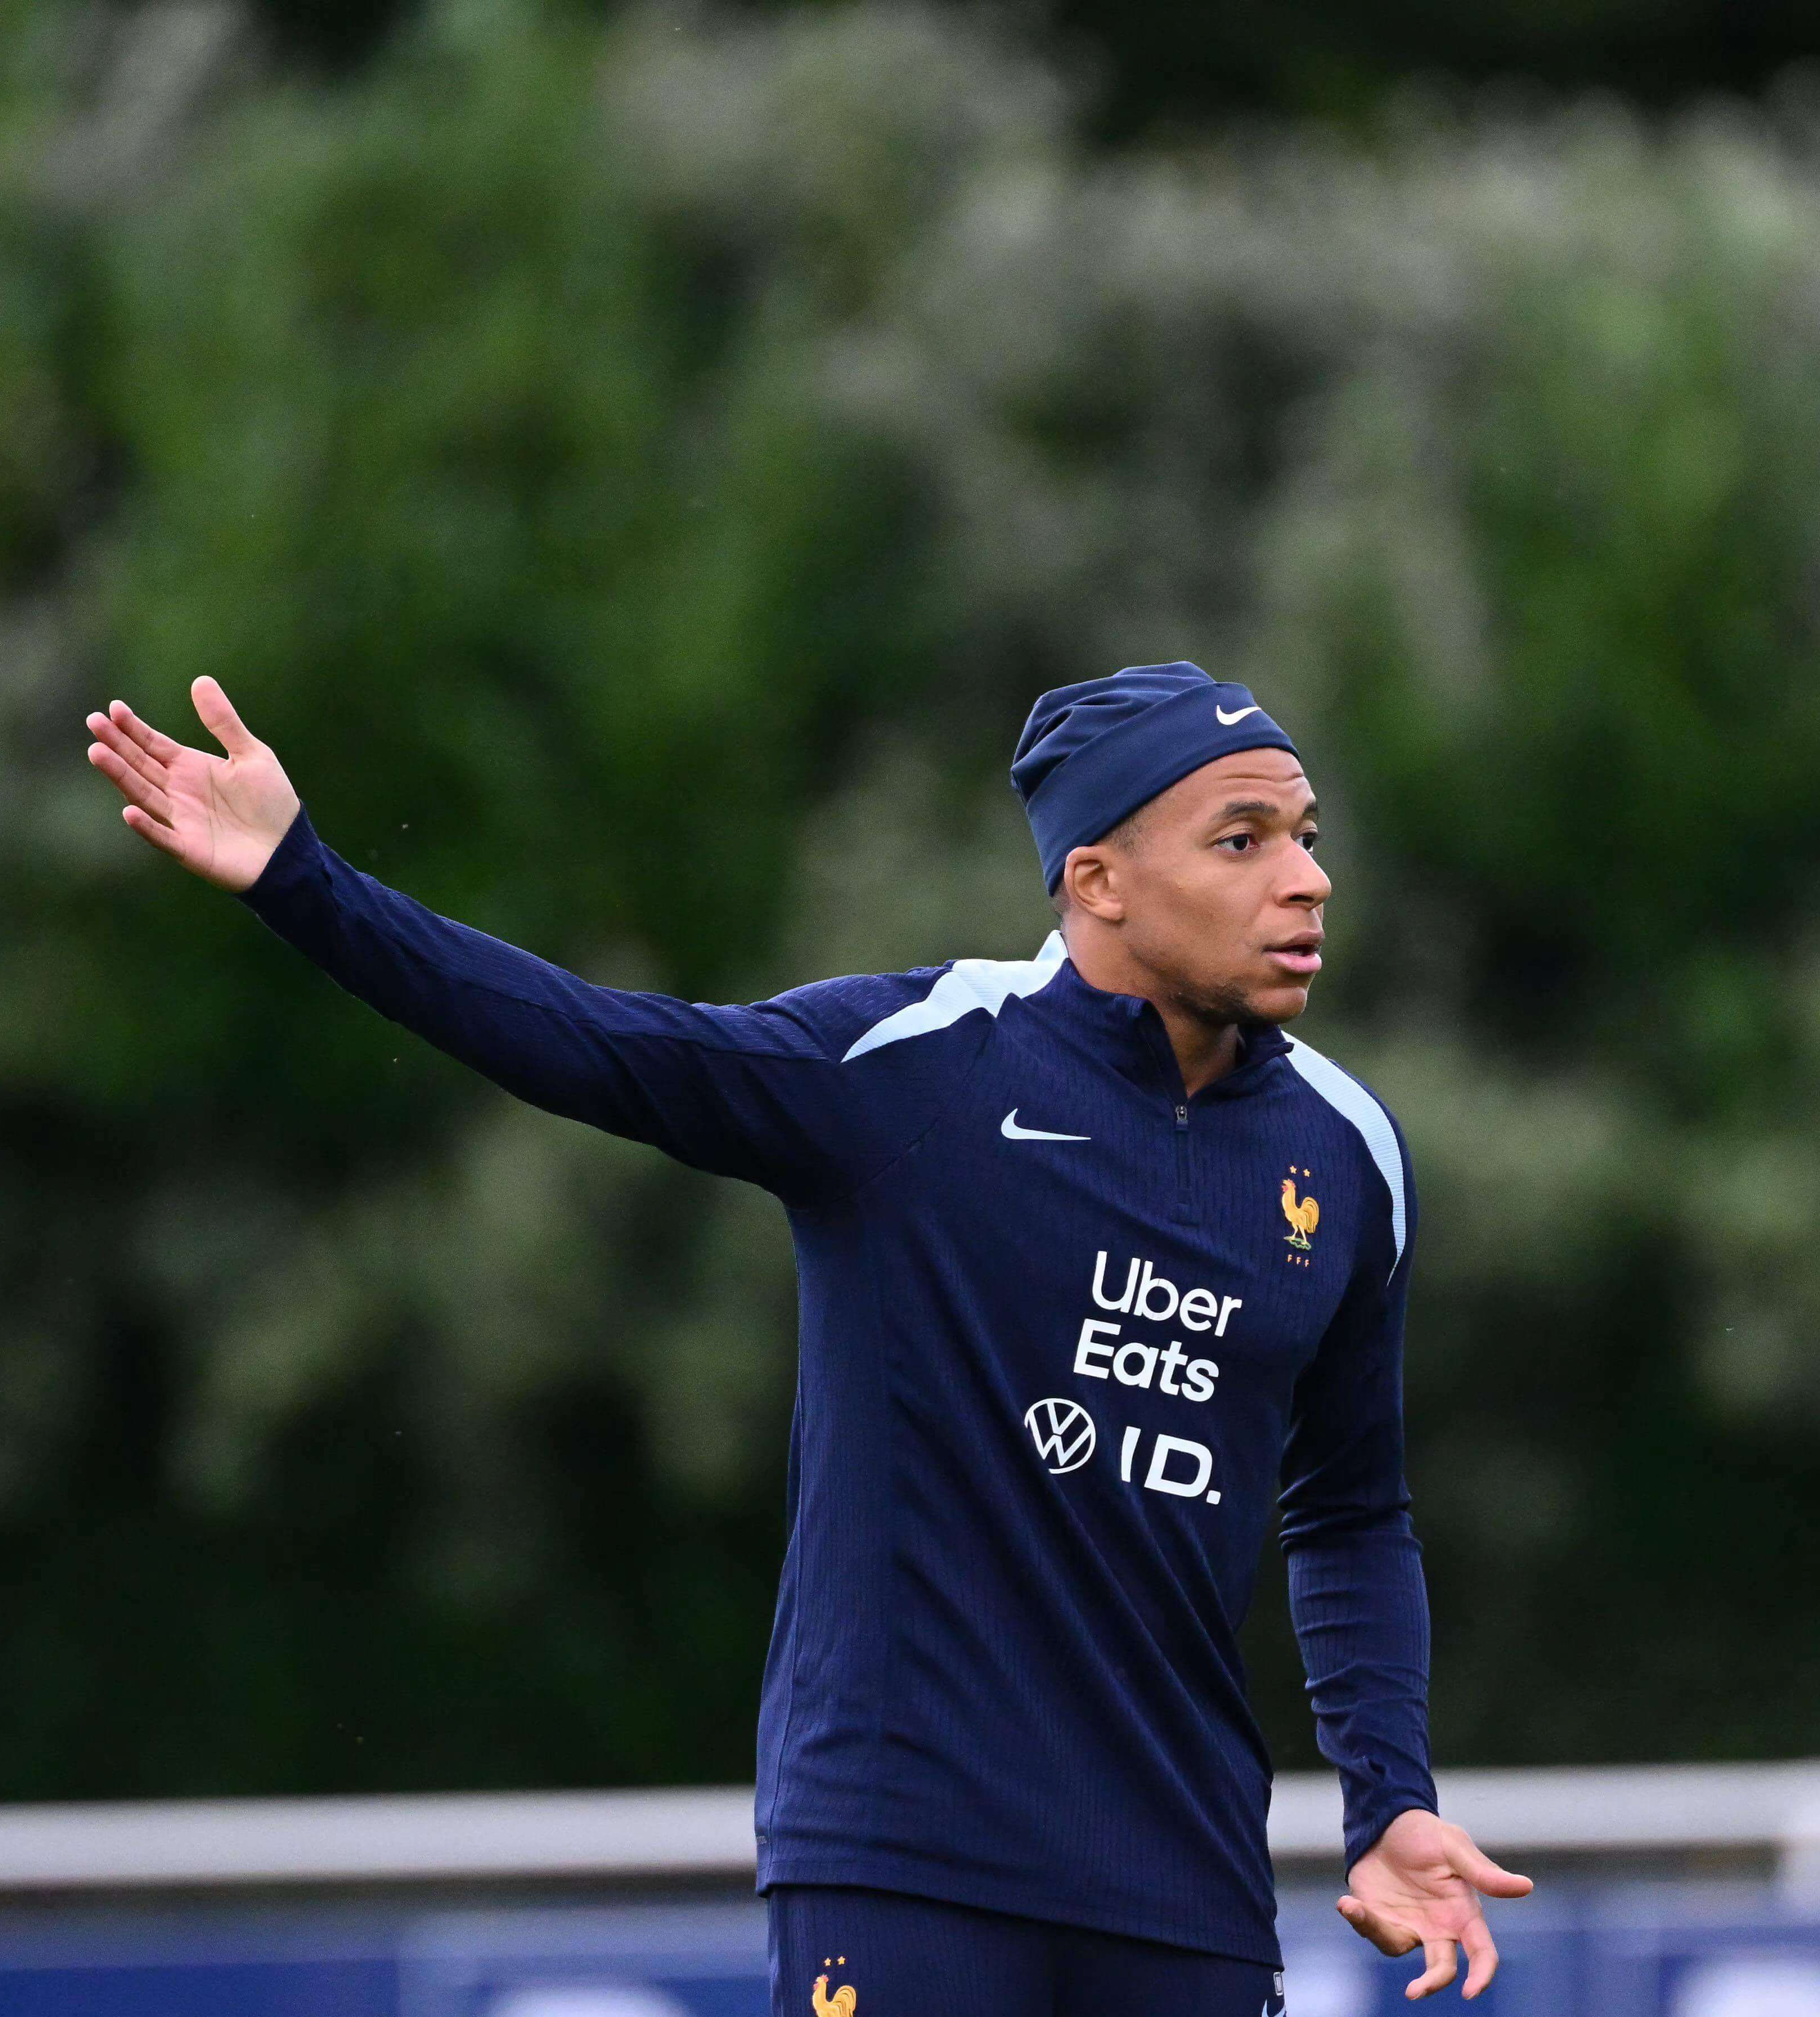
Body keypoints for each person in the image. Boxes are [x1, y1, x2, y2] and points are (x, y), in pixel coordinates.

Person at [83, 663, 1527, 2012]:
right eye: (1243, 841)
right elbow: (597, 1044)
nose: (1307, 878)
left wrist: (1388, 1797)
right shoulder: (916, 1071)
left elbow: (1348, 1512)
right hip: (903, 1857)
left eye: (1305, 834)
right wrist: (302, 883)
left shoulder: (1347, 1156)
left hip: (1185, 1891)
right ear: (1096, 881)